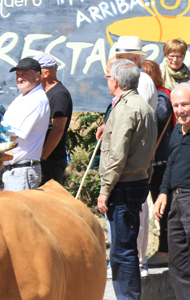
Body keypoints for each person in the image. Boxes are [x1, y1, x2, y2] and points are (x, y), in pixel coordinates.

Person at [97, 58, 156, 300]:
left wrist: (105, 189)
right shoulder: (142, 106)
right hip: (138, 181)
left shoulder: (125, 108)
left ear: (117, 81)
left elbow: (118, 153)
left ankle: (128, 297)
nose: (107, 79)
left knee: (121, 250)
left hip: (123, 184)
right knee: (127, 245)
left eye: (109, 75)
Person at [154, 82, 190, 296]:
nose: (180, 110)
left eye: (185, 104)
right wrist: (163, 193)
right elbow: (171, 165)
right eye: (176, 106)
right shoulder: (177, 131)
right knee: (178, 263)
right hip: (176, 203)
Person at [142, 59, 174, 267]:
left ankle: (165, 250)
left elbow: (161, 114)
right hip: (157, 160)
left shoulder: (161, 95)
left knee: (163, 206)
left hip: (161, 161)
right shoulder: (161, 94)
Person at [0, 57, 50, 191]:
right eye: (18, 75)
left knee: (17, 212)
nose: (20, 78)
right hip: (11, 171)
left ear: (38, 75)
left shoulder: (36, 100)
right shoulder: (23, 97)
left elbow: (11, 136)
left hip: (21, 172)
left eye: (25, 74)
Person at [33, 53, 72, 185]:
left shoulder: (59, 95)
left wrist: (42, 157)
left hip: (50, 161)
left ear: (46, 73)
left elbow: (57, 130)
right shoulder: (42, 92)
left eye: (34, 72)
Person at [114, 36, 158, 111]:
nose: (116, 61)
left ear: (135, 59)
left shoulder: (141, 81)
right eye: (117, 57)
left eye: (120, 57)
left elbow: (137, 113)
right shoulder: (137, 79)